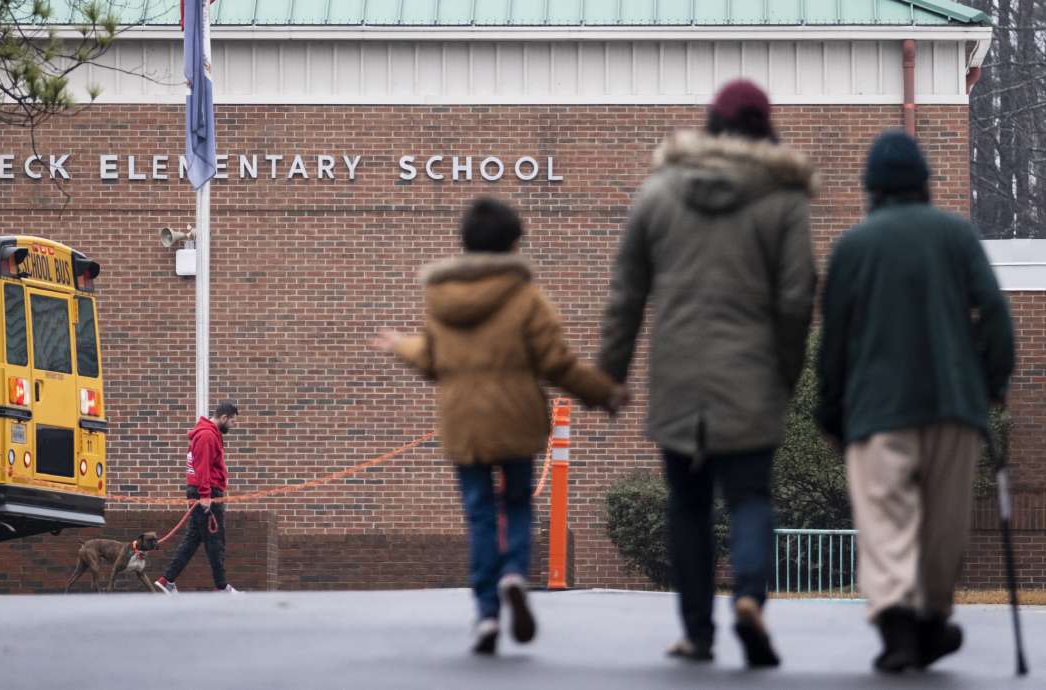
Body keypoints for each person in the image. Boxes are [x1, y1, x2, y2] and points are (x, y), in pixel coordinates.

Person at [597, 79, 817, 668]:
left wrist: (610, 375)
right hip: (752, 376)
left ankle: (697, 632)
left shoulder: (660, 192)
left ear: (710, 126)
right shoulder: (783, 199)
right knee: (749, 496)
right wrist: (787, 371)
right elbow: (798, 298)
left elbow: (626, 293)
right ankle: (749, 595)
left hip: (680, 379)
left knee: (687, 505)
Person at [373, 197, 625, 655]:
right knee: (517, 504)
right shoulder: (525, 296)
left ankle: (487, 613)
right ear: (514, 243)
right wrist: (602, 392)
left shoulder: (441, 297)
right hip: (516, 418)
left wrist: (400, 345)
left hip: (463, 422)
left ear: (464, 242)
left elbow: (433, 359)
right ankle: (514, 573)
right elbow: (556, 362)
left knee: (479, 513)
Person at [816, 130, 1015, 673]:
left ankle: (898, 625)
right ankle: (931, 619)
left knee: (885, 520)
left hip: (878, 412)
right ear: (925, 183)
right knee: (942, 524)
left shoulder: (854, 247)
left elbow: (833, 343)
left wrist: (830, 412)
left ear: (871, 189)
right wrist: (992, 383)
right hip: (953, 405)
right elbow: (996, 315)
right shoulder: (957, 235)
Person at [154, 401, 239, 594]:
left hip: (203, 492)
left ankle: (167, 580)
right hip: (206, 494)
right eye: (232, 421)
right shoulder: (207, 436)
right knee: (216, 540)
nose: (233, 426)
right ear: (224, 418)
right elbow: (202, 468)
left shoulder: (208, 434)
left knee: (194, 539)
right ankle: (221, 587)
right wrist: (206, 496)